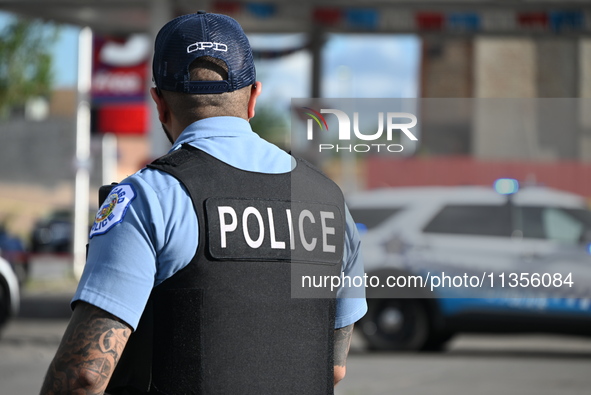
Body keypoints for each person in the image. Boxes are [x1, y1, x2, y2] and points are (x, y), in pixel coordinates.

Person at [41, 11, 366, 395]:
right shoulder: (329, 201)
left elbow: (85, 375)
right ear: (253, 98)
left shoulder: (149, 198)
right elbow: (333, 367)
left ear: (159, 104)